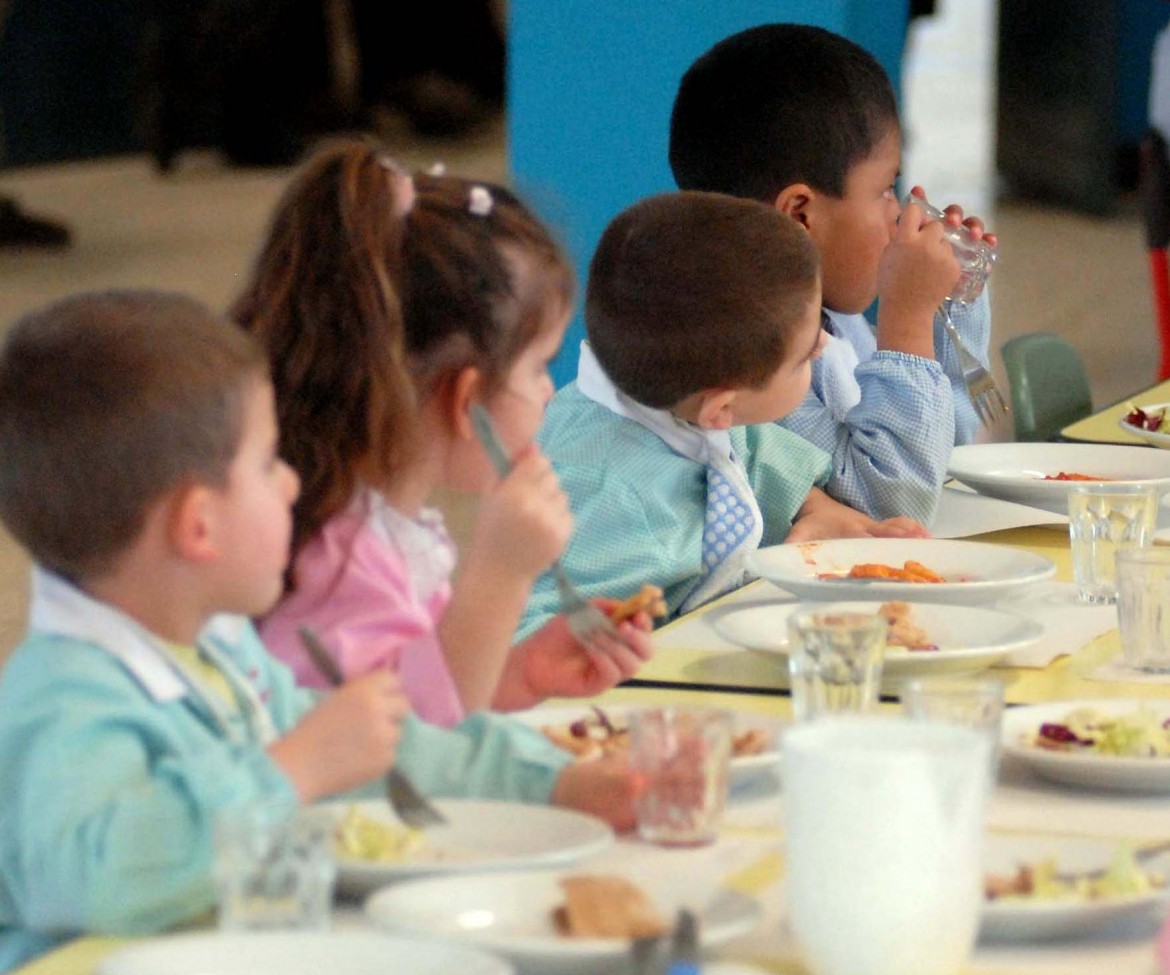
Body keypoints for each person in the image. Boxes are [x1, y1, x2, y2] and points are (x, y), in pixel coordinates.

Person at [0, 290, 633, 969]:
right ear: (198, 525)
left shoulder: (219, 645)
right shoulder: (63, 696)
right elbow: (101, 877)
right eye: (268, 462)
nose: (292, 485)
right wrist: (293, 767)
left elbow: (389, 749)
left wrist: (556, 783)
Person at [232, 139, 653, 728]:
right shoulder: (338, 563)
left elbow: (413, 679)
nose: (547, 393)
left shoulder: (374, 528)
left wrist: (516, 674)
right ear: (465, 399)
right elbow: (408, 747)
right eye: (538, 367)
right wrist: (502, 574)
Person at [516, 192, 928, 638]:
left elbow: (752, 451)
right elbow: (525, 632)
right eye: (807, 354)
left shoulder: (667, 398)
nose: (824, 346)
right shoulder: (618, 505)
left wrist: (820, 508)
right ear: (722, 408)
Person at [668, 23, 998, 525]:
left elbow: (943, 453)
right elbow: (892, 506)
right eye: (885, 190)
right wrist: (907, 319)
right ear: (800, 214)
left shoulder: (834, 324)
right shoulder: (746, 366)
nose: (899, 212)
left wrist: (946, 303)